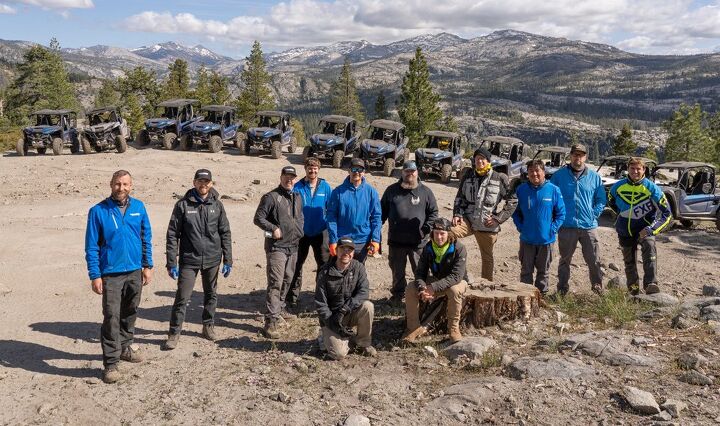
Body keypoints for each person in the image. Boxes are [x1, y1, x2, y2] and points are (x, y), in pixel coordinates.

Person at [84, 170, 153, 384]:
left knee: (130, 311)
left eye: (125, 184)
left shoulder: (139, 208)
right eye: (117, 184)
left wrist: (147, 265)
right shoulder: (98, 211)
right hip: (111, 273)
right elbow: (91, 246)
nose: (121, 188)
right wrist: (95, 275)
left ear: (131, 185)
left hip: (134, 270)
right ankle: (111, 363)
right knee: (111, 316)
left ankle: (125, 347)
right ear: (110, 184)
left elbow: (145, 238)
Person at [164, 169, 233, 350]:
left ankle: (208, 325)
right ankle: (174, 332)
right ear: (194, 182)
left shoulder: (217, 205)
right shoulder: (183, 205)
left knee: (211, 294)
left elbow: (225, 232)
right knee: (182, 297)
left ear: (211, 184)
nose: (203, 185)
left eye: (207, 182)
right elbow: (172, 234)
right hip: (189, 260)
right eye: (200, 181)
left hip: (212, 259)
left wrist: (228, 259)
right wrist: (172, 261)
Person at [608, 157, 672, 295]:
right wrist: (620, 216)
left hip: (645, 230)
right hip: (625, 230)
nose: (635, 171)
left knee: (649, 252)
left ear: (644, 170)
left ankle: (651, 284)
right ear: (628, 169)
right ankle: (634, 290)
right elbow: (610, 201)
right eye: (632, 168)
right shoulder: (618, 186)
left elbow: (667, 214)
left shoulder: (652, 188)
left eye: (638, 169)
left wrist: (652, 229)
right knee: (629, 262)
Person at [451, 147, 517, 281]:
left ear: (488, 161)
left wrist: (498, 219)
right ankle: (456, 275)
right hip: (468, 221)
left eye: (483, 159)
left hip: (487, 224)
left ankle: (486, 284)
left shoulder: (499, 178)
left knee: (487, 258)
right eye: (477, 159)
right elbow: (460, 197)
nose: (480, 161)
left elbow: (512, 200)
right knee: (448, 234)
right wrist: (457, 214)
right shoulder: (468, 176)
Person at [254, 166, 304, 339]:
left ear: (295, 179)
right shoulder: (271, 197)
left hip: (293, 246)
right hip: (277, 247)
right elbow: (258, 218)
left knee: (288, 279)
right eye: (286, 176)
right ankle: (271, 321)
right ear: (281, 177)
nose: (289, 180)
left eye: (292, 177)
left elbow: (299, 217)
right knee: (276, 282)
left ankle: (280, 308)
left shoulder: (297, 196)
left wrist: (299, 231)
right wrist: (273, 228)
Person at [550, 143, 607, 295]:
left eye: (581, 155)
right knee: (564, 260)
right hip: (567, 226)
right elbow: (551, 196)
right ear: (571, 156)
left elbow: (601, 199)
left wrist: (593, 214)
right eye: (575, 155)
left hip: (588, 226)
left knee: (594, 260)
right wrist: (556, 216)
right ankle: (562, 289)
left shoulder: (594, 177)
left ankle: (597, 287)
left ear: (585, 157)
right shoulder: (559, 176)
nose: (578, 158)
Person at [381, 160, 438, 304]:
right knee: (397, 271)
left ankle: (422, 296)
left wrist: (426, 229)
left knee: (420, 271)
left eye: (412, 171)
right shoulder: (391, 190)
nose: (410, 174)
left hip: (418, 243)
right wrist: (374, 233)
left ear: (417, 172)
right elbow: (381, 213)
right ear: (403, 172)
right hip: (396, 241)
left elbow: (433, 213)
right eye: (407, 171)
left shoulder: (425, 192)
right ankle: (398, 296)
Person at [405, 218, 467, 343]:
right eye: (436, 233)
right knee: (411, 288)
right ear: (432, 233)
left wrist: (433, 287)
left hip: (457, 281)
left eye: (442, 233)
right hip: (438, 279)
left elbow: (456, 276)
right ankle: (412, 328)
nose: (439, 237)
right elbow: (420, 272)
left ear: (448, 234)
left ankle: (453, 329)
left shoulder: (459, 248)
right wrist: (423, 288)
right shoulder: (428, 248)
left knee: (454, 291)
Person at [315, 236, 377, 359]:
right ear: (336, 251)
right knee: (338, 354)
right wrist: (332, 322)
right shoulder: (324, 273)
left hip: (349, 313)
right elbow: (320, 303)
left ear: (353, 253)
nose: (346, 253)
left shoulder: (358, 267)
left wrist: (345, 309)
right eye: (342, 249)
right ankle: (326, 335)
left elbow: (364, 292)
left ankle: (363, 343)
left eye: (349, 250)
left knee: (368, 306)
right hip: (331, 318)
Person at [285, 157, 332, 312]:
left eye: (315, 168)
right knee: (296, 265)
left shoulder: (325, 187)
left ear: (319, 169)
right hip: (301, 233)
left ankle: (321, 298)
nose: (312, 171)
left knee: (324, 266)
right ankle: (292, 298)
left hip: (321, 232)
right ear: (305, 169)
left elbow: (331, 210)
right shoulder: (297, 187)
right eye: (309, 168)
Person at [512, 160, 566, 294]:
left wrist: (552, 229)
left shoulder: (553, 190)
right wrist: (520, 227)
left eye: (537, 171)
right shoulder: (521, 190)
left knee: (543, 272)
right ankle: (525, 296)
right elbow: (515, 212)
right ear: (527, 174)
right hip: (527, 240)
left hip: (546, 241)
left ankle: (541, 297)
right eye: (531, 171)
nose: (534, 174)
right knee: (526, 272)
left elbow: (561, 213)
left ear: (544, 172)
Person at [326, 158, 382, 264]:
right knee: (338, 273)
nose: (357, 172)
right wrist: (333, 240)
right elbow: (331, 217)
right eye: (354, 169)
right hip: (342, 240)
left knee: (357, 273)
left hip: (362, 241)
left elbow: (376, 217)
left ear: (364, 172)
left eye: (360, 170)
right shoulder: (338, 192)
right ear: (349, 171)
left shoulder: (371, 192)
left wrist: (375, 239)